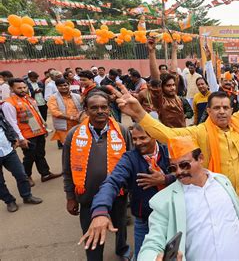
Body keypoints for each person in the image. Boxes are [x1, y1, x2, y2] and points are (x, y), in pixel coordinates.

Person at [112, 59, 239, 201]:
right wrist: (140, 114)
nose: (222, 111)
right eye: (216, 108)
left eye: (225, 107)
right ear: (208, 111)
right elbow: (166, 134)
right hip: (217, 196)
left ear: (232, 110)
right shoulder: (200, 132)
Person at [138, 136, 239, 260]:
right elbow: (152, 244)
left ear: (201, 158)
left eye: (184, 165)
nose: (178, 172)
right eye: (173, 168)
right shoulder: (165, 201)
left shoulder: (222, 181)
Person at [78, 124, 174, 259]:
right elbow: (112, 182)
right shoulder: (129, 158)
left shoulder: (170, 152)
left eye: (143, 138)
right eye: (134, 139)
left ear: (155, 136)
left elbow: (188, 174)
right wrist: (100, 211)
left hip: (171, 217)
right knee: (142, 256)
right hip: (144, 221)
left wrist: (165, 179)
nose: (138, 143)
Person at [62, 91, 133, 261]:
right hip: (87, 196)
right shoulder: (73, 135)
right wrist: (70, 197)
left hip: (118, 194)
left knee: (120, 226)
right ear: (86, 110)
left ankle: (121, 248)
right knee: (91, 234)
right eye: (94, 108)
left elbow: (131, 162)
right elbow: (67, 169)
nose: (100, 111)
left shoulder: (122, 131)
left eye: (104, 107)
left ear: (109, 109)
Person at [2, 78, 60, 187]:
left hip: (38, 132)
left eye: (24, 87)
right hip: (26, 136)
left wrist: (44, 127)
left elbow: (36, 114)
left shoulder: (28, 98)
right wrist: (20, 138)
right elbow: (12, 123)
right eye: (19, 88)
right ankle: (26, 176)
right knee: (29, 157)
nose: (23, 90)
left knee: (40, 154)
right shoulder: (8, 104)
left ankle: (45, 174)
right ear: (12, 88)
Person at [0, 111, 42, 212]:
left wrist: (14, 139)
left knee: (21, 174)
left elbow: (7, 125)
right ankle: (9, 201)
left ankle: (27, 196)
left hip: (8, 150)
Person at [47, 78, 82, 145]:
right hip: (64, 128)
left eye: (65, 85)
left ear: (69, 85)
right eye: (60, 86)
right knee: (67, 146)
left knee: (79, 145)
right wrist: (71, 118)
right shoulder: (53, 98)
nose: (63, 87)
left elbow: (83, 109)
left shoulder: (77, 96)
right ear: (57, 87)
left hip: (78, 125)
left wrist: (79, 117)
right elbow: (55, 112)